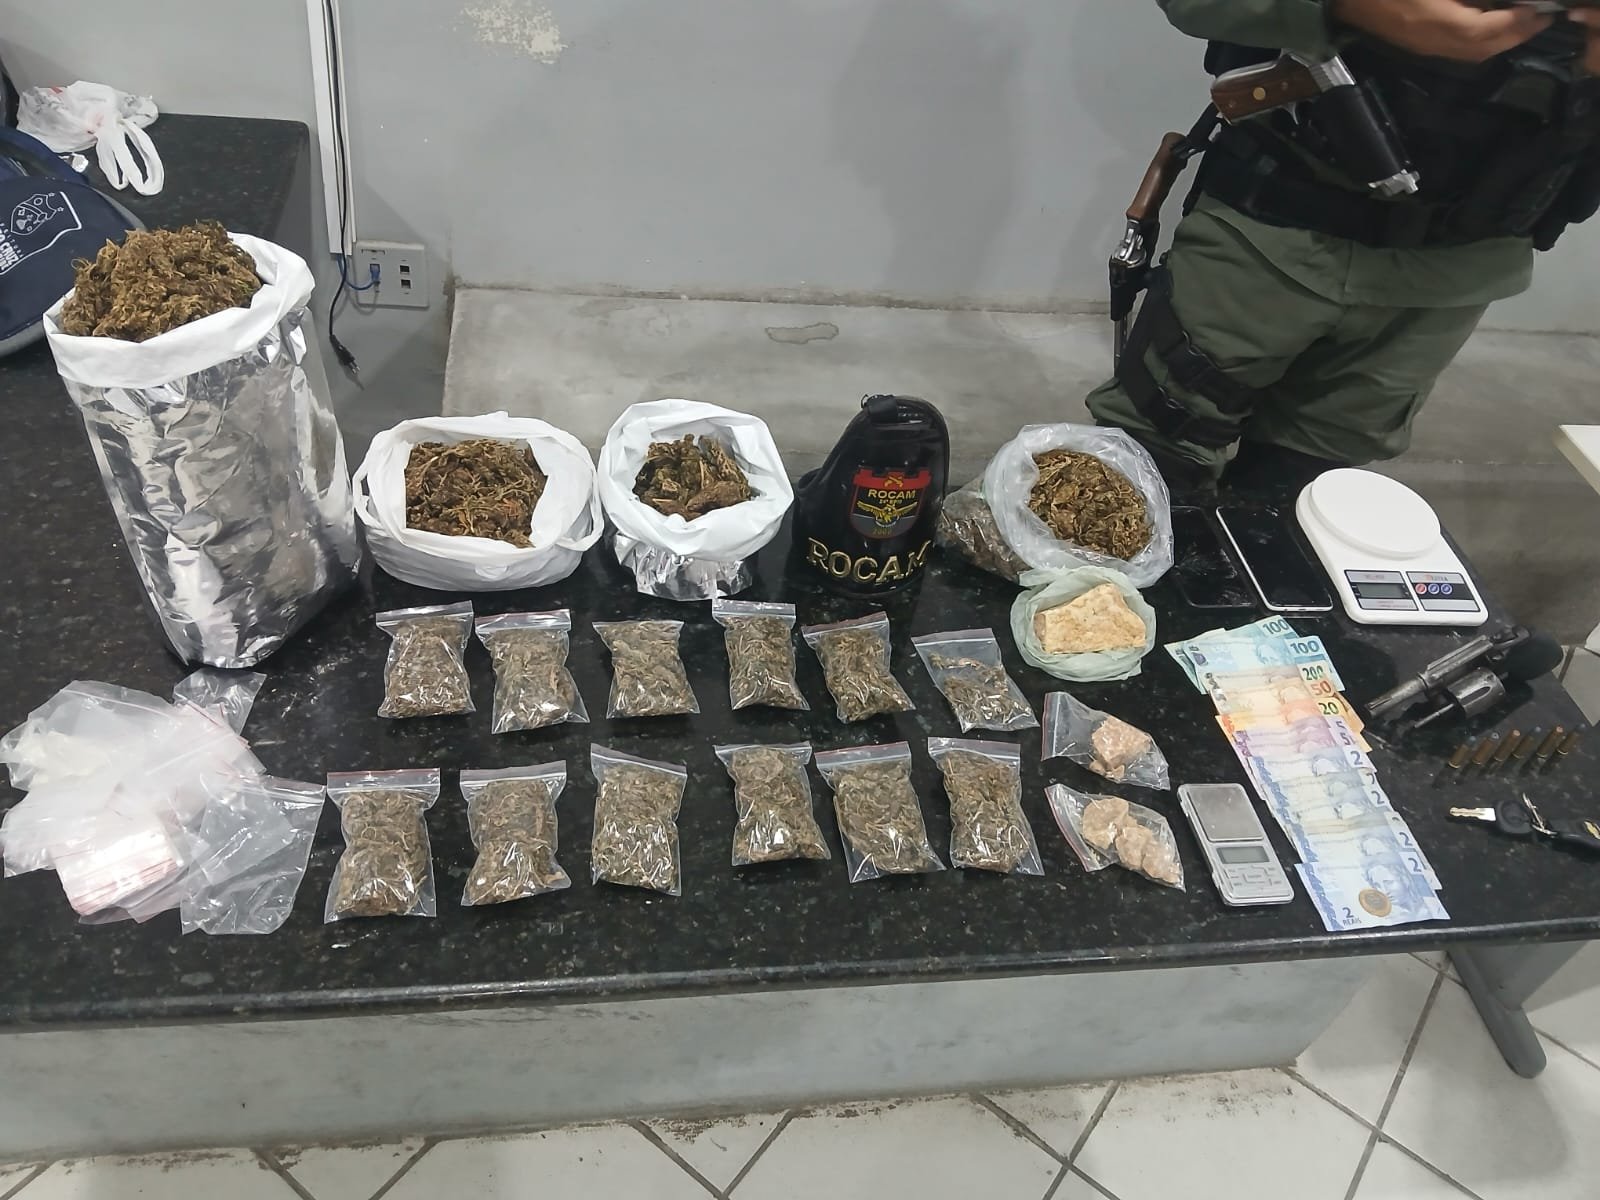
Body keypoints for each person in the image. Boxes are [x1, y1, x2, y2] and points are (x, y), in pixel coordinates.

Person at [1086, 0, 1600, 493]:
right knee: (1143, 470)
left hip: (1459, 268)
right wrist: (1351, 7)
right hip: (1272, 233)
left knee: (1306, 501)